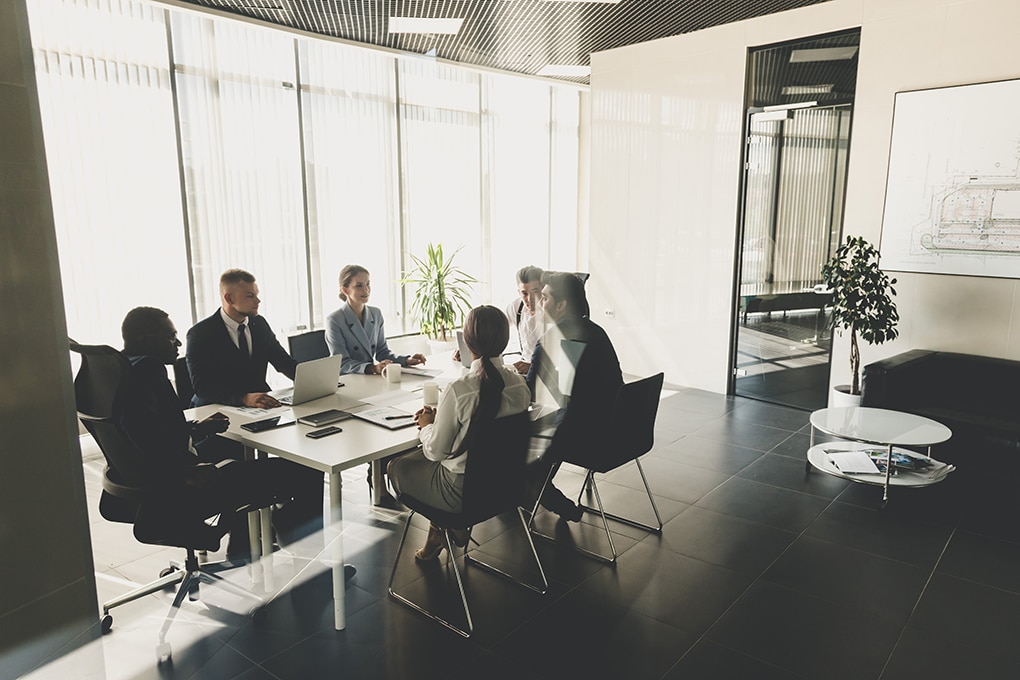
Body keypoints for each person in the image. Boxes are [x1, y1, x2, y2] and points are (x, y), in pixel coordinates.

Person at [119, 307, 337, 570]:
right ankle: (309, 560)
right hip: (179, 488)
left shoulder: (121, 369)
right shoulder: (148, 371)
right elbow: (152, 442)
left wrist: (198, 428)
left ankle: (244, 546)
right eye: (169, 336)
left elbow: (150, 433)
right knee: (307, 468)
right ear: (144, 339)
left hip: (144, 486)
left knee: (231, 445)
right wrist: (186, 470)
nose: (177, 343)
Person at [387, 305, 531, 561]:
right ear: (505, 340)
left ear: (466, 340)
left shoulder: (459, 390)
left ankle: (445, 526)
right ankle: (438, 533)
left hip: (462, 496)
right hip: (506, 487)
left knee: (397, 467)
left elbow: (435, 452)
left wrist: (427, 425)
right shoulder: (520, 385)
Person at [526, 271, 623, 522]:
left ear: (561, 305)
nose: (539, 303)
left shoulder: (561, 339)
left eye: (544, 298)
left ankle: (551, 499)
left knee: (512, 445)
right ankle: (536, 487)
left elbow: (534, 395)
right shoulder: (595, 332)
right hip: (617, 431)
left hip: (587, 438)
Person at [186, 268, 297, 410]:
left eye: (256, 295)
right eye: (250, 296)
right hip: (216, 409)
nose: (258, 301)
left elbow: (283, 362)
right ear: (229, 299)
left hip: (259, 406)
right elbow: (203, 387)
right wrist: (243, 398)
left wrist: (313, 383)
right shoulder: (200, 333)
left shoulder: (259, 324)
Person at [325, 264, 427, 376]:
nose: (366, 289)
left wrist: (406, 360)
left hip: (370, 378)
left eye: (368, 284)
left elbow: (382, 353)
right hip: (349, 379)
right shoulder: (334, 320)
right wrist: (372, 368)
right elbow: (342, 363)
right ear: (345, 290)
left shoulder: (376, 314)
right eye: (359, 286)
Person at [504, 265, 544, 375]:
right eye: (525, 293)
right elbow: (494, 328)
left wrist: (535, 367)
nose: (530, 299)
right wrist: (472, 350)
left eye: (535, 291)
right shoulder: (516, 307)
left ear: (543, 288)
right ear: (519, 292)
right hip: (524, 370)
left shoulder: (553, 311)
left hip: (546, 373)